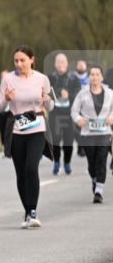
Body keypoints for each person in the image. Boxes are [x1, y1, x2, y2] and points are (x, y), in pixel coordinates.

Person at [0, 45, 53, 229]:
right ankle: (27, 211)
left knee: (31, 167)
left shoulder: (42, 79)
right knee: (21, 173)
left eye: (22, 60)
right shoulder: (7, 79)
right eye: (16, 61)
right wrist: (6, 98)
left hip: (37, 127)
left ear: (32, 60)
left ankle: (33, 211)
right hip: (16, 130)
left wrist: (47, 101)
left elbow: (50, 106)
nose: (19, 64)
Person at [71, 66, 113, 203]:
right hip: (88, 133)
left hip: (104, 132)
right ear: (89, 77)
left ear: (102, 77)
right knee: (92, 163)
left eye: (97, 74)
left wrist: (111, 118)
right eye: (92, 75)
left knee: (102, 160)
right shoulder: (82, 93)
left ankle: (99, 190)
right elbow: (74, 111)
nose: (95, 77)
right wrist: (79, 119)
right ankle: (94, 179)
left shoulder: (110, 93)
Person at [49, 53, 78, 175]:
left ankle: (67, 162)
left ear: (67, 64)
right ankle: (56, 162)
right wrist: (57, 93)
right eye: (58, 62)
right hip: (55, 112)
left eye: (63, 62)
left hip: (69, 112)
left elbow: (79, 94)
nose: (60, 64)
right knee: (55, 138)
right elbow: (46, 92)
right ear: (55, 64)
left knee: (68, 140)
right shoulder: (50, 77)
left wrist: (69, 95)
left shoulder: (73, 78)